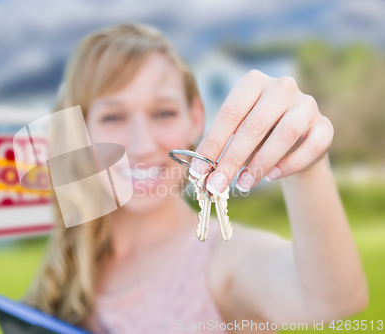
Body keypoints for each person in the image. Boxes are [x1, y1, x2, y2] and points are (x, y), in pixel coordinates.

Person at [23, 23, 368, 333]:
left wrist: (304, 164)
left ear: (195, 119)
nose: (143, 145)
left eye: (163, 112)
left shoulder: (225, 262)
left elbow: (331, 304)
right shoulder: (76, 253)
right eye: (114, 116)